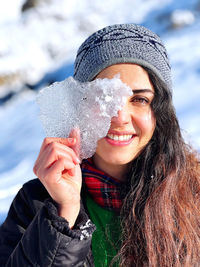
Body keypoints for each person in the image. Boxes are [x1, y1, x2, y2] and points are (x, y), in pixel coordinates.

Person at [0, 23, 200, 267]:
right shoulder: (36, 205)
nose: (120, 116)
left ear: (160, 112)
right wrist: (65, 218)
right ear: (79, 105)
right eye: (104, 96)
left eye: (139, 99)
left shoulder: (194, 198)